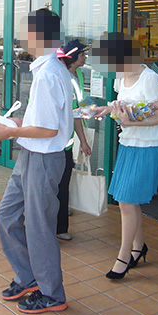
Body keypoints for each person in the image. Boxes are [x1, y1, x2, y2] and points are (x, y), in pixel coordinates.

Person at [0, 8, 74, 314]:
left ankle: (52, 293)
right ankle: (28, 277)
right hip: (31, 155)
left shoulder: (50, 72)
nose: (22, 36)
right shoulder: (45, 69)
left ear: (39, 35)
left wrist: (7, 132)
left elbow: (49, 129)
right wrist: (18, 122)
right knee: (7, 214)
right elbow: (42, 120)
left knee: (39, 227)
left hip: (43, 157)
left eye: (26, 31)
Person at [92, 32, 158, 279]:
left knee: (126, 200)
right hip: (128, 143)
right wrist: (107, 110)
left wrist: (130, 121)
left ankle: (123, 256)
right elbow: (121, 107)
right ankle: (137, 247)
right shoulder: (120, 78)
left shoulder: (150, 78)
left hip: (148, 147)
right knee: (127, 200)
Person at [55, 40, 92, 241]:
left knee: (63, 184)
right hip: (55, 142)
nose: (85, 58)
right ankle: (53, 227)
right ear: (73, 57)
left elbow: (80, 107)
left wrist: (93, 109)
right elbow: (74, 112)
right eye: (83, 55)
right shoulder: (62, 78)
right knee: (56, 185)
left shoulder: (76, 76)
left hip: (66, 142)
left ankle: (60, 227)